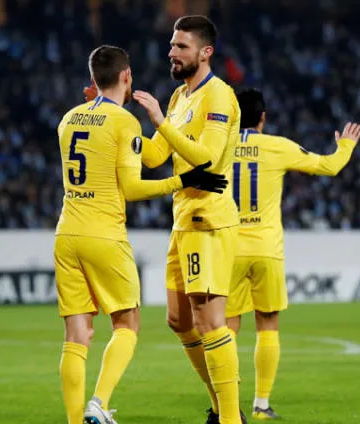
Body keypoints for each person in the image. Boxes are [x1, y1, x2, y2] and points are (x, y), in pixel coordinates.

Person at [56, 45, 228, 424]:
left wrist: (155, 122)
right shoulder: (124, 122)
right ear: (126, 76)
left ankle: (74, 420)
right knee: (127, 324)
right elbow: (132, 188)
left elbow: (141, 154)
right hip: (104, 233)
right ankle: (99, 403)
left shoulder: (68, 119)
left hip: (66, 233)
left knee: (77, 335)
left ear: (93, 79)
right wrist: (184, 180)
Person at [132, 15, 244, 424]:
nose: (172, 52)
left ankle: (228, 417)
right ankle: (220, 407)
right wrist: (120, 122)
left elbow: (208, 159)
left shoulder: (219, 96)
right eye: (172, 45)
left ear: (205, 52)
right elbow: (153, 157)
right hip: (182, 220)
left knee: (211, 321)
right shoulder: (180, 97)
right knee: (179, 320)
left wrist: (161, 122)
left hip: (209, 220)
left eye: (181, 46)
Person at [225, 88, 360, 419]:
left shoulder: (219, 147)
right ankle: (261, 404)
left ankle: (226, 403)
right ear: (263, 117)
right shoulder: (278, 146)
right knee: (267, 324)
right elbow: (328, 166)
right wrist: (346, 145)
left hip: (228, 248)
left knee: (226, 327)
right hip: (266, 249)